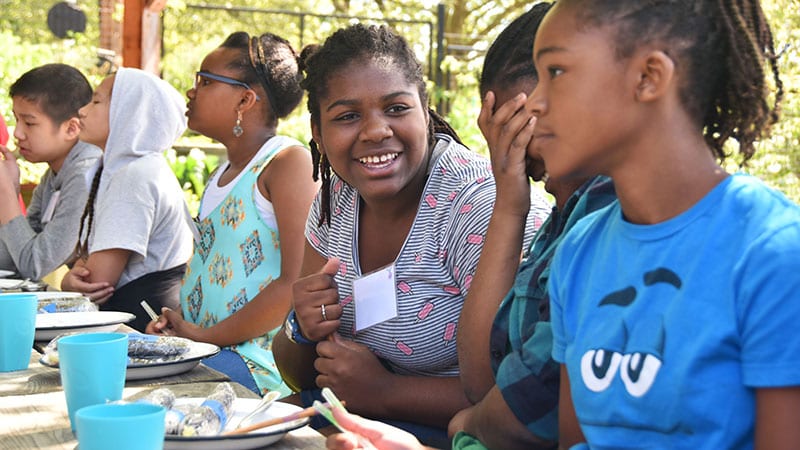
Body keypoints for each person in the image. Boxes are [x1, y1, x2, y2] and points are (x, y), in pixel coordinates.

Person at [531, 1, 800, 449]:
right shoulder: (579, 252)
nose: (535, 102)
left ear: (649, 77)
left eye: (555, 71)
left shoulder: (773, 252)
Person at [272, 23, 548, 446]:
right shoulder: (338, 198)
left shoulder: (478, 204)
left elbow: (520, 395)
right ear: (318, 135)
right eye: (347, 116)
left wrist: (386, 393)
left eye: (396, 108)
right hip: (356, 415)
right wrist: (302, 328)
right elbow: (301, 370)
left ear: (425, 108)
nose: (376, 131)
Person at [449, 3, 616, 449]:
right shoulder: (561, 217)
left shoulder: (606, 210)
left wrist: (469, 423)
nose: (512, 146)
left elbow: (521, 411)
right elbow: (481, 379)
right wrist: (509, 202)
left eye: (521, 125)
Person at [145, 31, 318, 396]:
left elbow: (295, 283)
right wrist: (179, 328)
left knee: (155, 393)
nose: (191, 92)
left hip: (259, 360)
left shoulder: (287, 162)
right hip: (207, 346)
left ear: (245, 98)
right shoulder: (220, 174)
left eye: (205, 81)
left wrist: (204, 337)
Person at [61, 68, 193, 332]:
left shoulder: (134, 177)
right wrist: (77, 268)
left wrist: (70, 280)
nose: (83, 111)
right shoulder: (141, 168)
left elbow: (97, 282)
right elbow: (86, 262)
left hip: (139, 328)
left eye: (96, 101)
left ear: (130, 112)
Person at [0, 64, 102, 280]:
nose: (18, 133)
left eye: (29, 123)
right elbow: (11, 260)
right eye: (17, 120)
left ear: (71, 128)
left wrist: (6, 194)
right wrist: (12, 189)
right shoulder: (53, 174)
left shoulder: (85, 174)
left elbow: (34, 265)